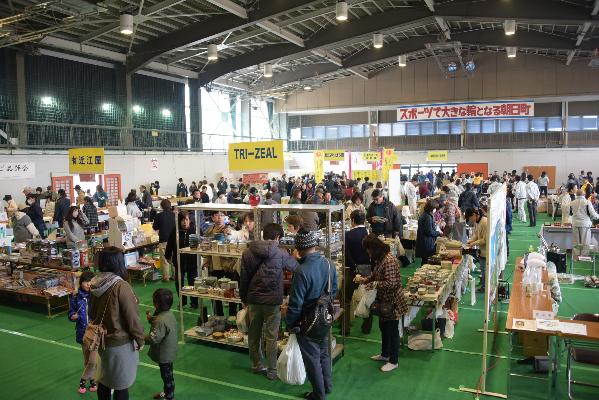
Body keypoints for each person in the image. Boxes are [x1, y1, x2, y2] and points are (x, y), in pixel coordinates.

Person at [240, 223, 299, 380]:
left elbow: (243, 279)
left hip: (253, 299)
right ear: (278, 237)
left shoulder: (247, 253)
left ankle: (256, 364)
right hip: (273, 301)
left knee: (253, 333)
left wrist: (244, 299)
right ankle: (272, 370)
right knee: (271, 336)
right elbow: (297, 269)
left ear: (264, 234)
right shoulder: (281, 253)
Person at [286, 229, 337, 400]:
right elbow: (334, 291)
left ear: (298, 249)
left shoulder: (301, 271)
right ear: (315, 245)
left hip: (307, 321)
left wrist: (291, 324)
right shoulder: (329, 264)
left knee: (312, 359)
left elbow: (295, 303)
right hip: (325, 317)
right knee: (323, 353)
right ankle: (327, 386)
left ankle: (319, 394)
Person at [89, 247, 144, 400]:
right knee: (121, 385)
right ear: (118, 262)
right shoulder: (121, 286)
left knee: (104, 381)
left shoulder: (94, 282)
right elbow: (132, 318)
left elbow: (91, 313)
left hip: (101, 341)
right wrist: (140, 338)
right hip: (120, 344)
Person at [356, 234, 408, 372]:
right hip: (383, 300)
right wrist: (365, 280)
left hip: (392, 301)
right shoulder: (381, 258)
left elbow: (392, 283)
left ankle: (394, 360)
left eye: (368, 249)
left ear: (373, 248)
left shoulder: (389, 260)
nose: (367, 252)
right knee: (384, 327)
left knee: (392, 330)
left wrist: (374, 283)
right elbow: (375, 274)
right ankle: (385, 354)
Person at [145, 288, 178, 400]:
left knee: (167, 377)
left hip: (164, 355)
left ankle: (169, 396)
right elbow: (161, 324)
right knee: (168, 376)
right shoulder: (168, 314)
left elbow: (153, 339)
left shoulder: (160, 320)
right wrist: (152, 319)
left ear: (156, 304)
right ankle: (167, 392)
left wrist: (139, 337)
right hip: (170, 352)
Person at [68, 271, 97, 394]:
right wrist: (73, 316)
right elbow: (71, 312)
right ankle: (93, 381)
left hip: (95, 333)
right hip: (82, 332)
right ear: (81, 283)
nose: (89, 284)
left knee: (93, 361)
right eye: (86, 281)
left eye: (91, 281)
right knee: (87, 360)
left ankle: (82, 380)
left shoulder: (96, 296)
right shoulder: (75, 297)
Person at [344, 210, 371, 335]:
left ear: (353, 220)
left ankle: (346, 327)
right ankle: (367, 326)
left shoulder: (348, 234)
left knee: (347, 298)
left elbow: (347, 254)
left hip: (352, 269)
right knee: (368, 297)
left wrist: (354, 265)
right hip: (366, 268)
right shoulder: (368, 233)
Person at [165, 212, 199, 308]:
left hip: (192, 262)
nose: (184, 222)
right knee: (179, 283)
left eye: (186, 219)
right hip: (179, 262)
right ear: (179, 221)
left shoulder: (195, 230)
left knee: (193, 282)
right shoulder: (174, 231)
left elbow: (201, 243)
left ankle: (194, 302)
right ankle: (183, 301)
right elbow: (170, 244)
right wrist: (167, 256)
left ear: (190, 220)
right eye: (182, 220)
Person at [569, 189, 599, 259]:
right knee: (585, 241)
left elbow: (570, 213)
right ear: (584, 195)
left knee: (576, 241)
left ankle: (576, 256)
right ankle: (584, 257)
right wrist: (598, 216)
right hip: (585, 224)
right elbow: (593, 213)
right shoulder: (587, 202)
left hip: (575, 223)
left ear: (576, 194)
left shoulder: (572, 202)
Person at [465, 208, 488, 292]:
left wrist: (473, 244)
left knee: (485, 270)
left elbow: (485, 240)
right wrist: (470, 241)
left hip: (487, 251)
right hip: (482, 250)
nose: (470, 220)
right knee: (482, 269)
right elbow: (475, 234)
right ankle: (483, 284)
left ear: (474, 215)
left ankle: (485, 287)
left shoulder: (485, 222)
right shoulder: (477, 222)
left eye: (470, 218)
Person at [153, 199, 176, 282]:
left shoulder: (158, 216)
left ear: (161, 206)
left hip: (163, 239)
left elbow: (155, 227)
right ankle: (175, 276)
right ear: (170, 206)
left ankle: (166, 277)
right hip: (173, 240)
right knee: (173, 258)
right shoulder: (174, 215)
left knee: (164, 259)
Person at [415, 200, 441, 265]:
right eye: (435, 208)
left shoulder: (425, 214)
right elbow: (429, 232)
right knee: (426, 261)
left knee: (425, 260)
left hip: (424, 241)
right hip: (426, 242)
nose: (435, 210)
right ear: (432, 208)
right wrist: (438, 233)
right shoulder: (428, 217)